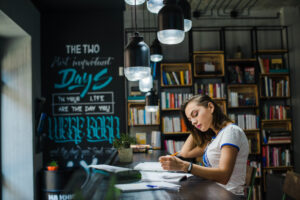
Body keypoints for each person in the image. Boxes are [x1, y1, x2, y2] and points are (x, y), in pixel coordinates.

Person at [159, 95, 249, 197]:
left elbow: (224, 176)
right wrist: (195, 127)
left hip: (229, 195)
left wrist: (185, 166)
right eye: (190, 120)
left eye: (195, 114)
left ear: (210, 107)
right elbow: (185, 152)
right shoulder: (216, 137)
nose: (193, 122)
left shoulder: (231, 132)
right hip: (216, 192)